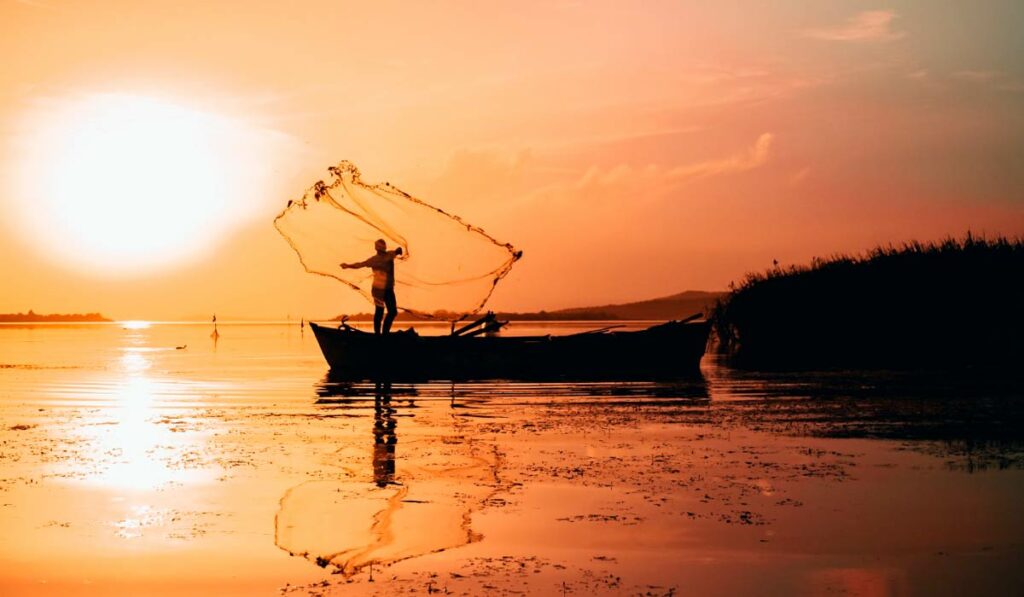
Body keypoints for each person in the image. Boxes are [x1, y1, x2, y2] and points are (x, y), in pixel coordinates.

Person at [341, 239, 403, 334]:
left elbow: (360, 264)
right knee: (384, 311)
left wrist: (347, 266)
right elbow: (360, 264)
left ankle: (381, 334)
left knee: (389, 312)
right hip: (379, 290)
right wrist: (348, 266)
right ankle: (381, 334)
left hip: (385, 289)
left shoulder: (387, 256)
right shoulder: (383, 257)